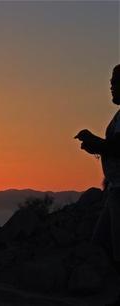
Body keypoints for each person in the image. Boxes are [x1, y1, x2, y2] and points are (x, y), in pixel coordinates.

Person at [75, 65, 120, 268]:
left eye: (115, 82)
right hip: (114, 188)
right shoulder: (118, 117)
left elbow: (117, 148)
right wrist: (96, 145)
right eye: (111, 82)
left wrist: (96, 143)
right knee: (101, 244)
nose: (111, 86)